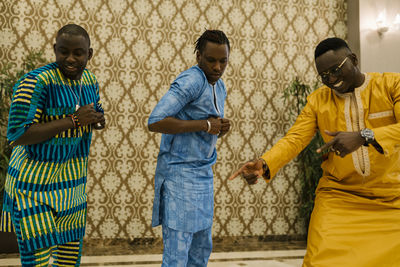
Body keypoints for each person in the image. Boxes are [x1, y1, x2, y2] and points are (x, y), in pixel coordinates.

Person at [229, 37, 400, 267]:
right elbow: (295, 139)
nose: (331, 79)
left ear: (354, 59)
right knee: (320, 260)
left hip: (391, 198)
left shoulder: (391, 85)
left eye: (335, 70)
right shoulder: (318, 101)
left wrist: (363, 136)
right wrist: (265, 162)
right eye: (324, 75)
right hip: (339, 197)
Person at [0, 24, 105, 266]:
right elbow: (17, 135)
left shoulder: (90, 81)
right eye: (63, 51)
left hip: (71, 187)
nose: (69, 59)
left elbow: (95, 113)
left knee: (68, 260)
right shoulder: (35, 82)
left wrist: (98, 120)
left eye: (78, 53)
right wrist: (74, 120)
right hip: (32, 188)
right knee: (36, 260)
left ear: (89, 54)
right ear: (54, 49)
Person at [148, 30, 231, 266]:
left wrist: (219, 128)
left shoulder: (220, 85)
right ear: (198, 57)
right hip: (180, 176)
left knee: (201, 250)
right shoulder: (191, 80)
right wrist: (205, 125)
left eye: (223, 61)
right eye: (211, 60)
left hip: (204, 175)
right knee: (177, 254)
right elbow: (155, 121)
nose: (217, 67)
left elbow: (206, 128)